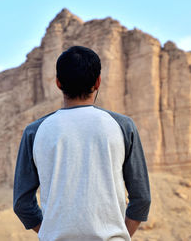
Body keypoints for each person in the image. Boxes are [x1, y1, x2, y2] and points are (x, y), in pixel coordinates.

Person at [13, 46, 151, 241]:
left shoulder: (34, 132)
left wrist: (51, 232)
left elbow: (22, 204)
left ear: (58, 83)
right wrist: (119, 235)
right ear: (98, 82)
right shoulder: (123, 126)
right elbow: (142, 198)